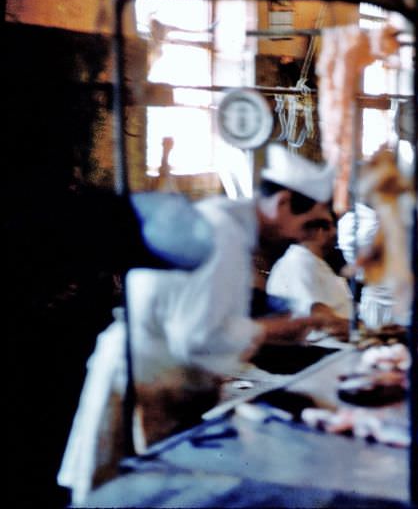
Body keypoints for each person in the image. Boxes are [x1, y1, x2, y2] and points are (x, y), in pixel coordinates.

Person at [58, 144, 336, 504]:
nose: (301, 236)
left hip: (160, 377)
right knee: (128, 495)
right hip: (145, 382)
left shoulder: (227, 223)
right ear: (282, 203)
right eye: (305, 223)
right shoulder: (223, 236)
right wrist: (272, 329)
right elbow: (195, 337)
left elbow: (214, 314)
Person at [266, 205, 352, 341]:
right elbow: (320, 317)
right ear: (319, 232)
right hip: (322, 350)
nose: (335, 233)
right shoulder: (298, 262)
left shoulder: (314, 261)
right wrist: (359, 328)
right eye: (331, 227)